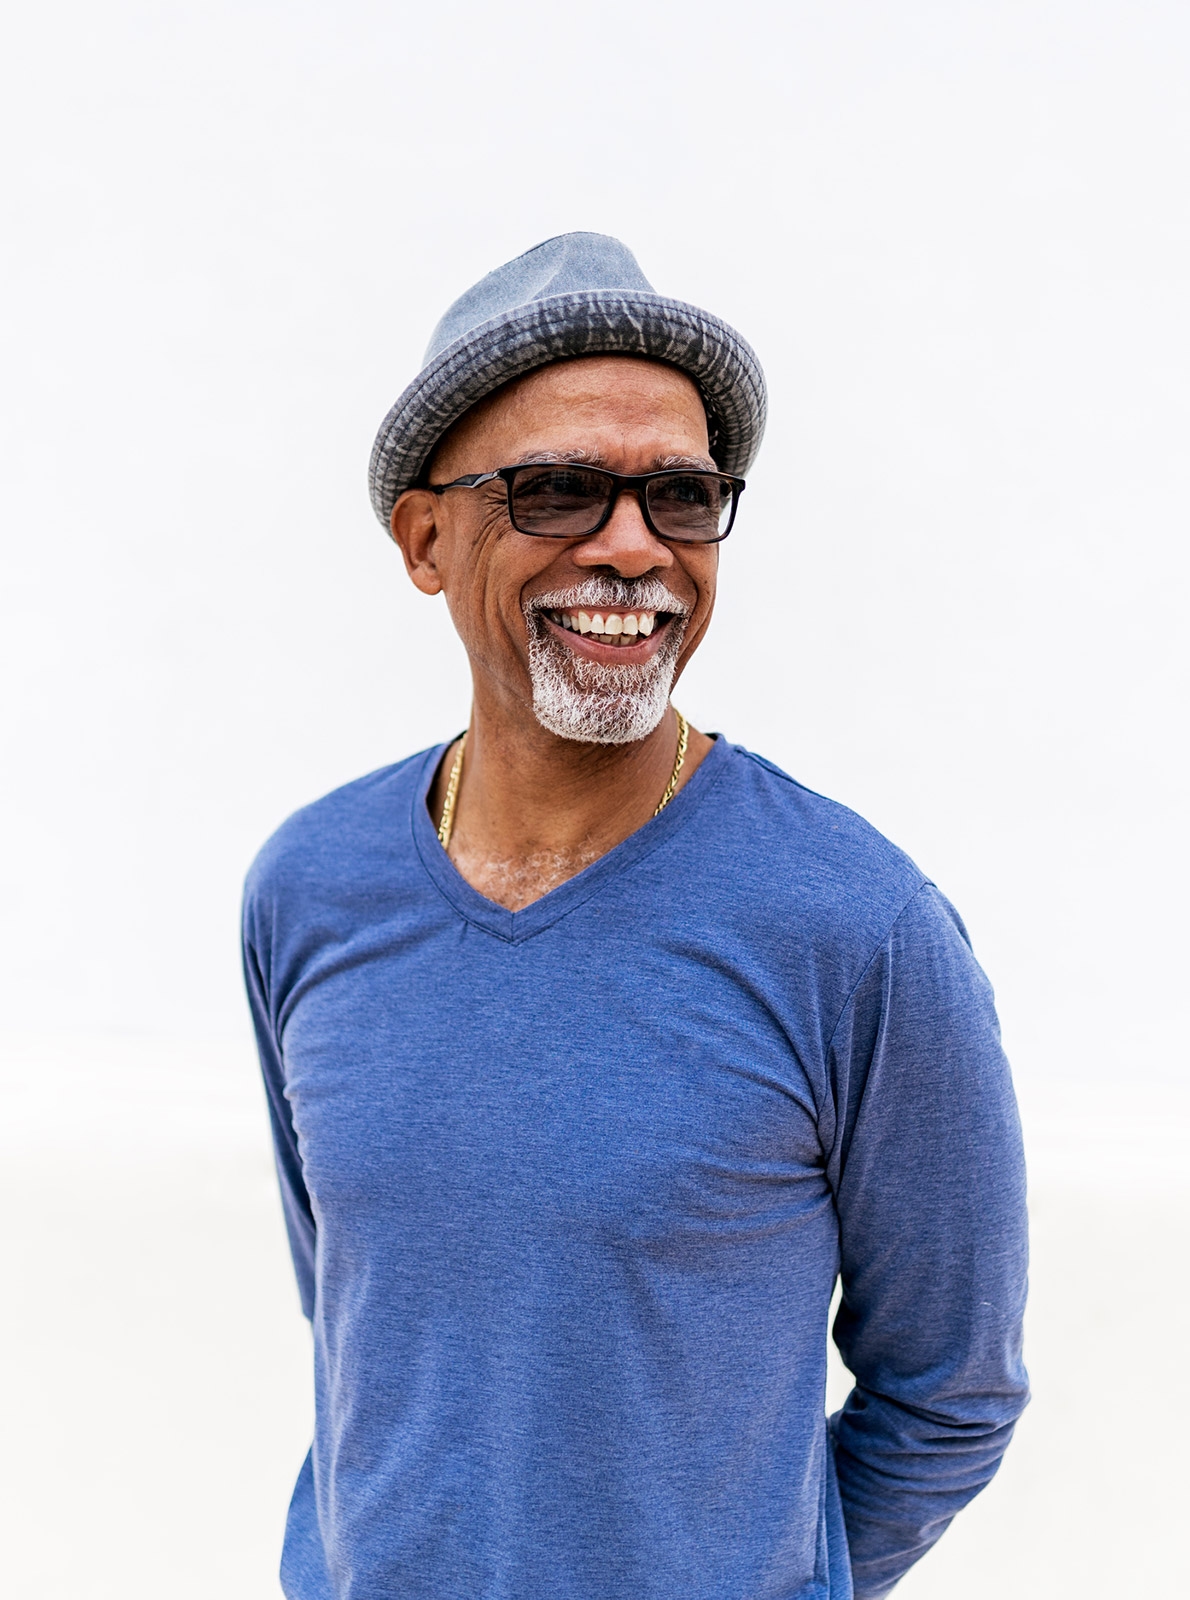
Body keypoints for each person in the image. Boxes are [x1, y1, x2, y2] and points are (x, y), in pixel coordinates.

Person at [242, 233, 1028, 1600]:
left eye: (679, 494)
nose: (631, 547)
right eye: (556, 491)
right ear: (426, 539)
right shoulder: (310, 887)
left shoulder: (859, 929)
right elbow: (361, 1315)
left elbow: (950, 1395)